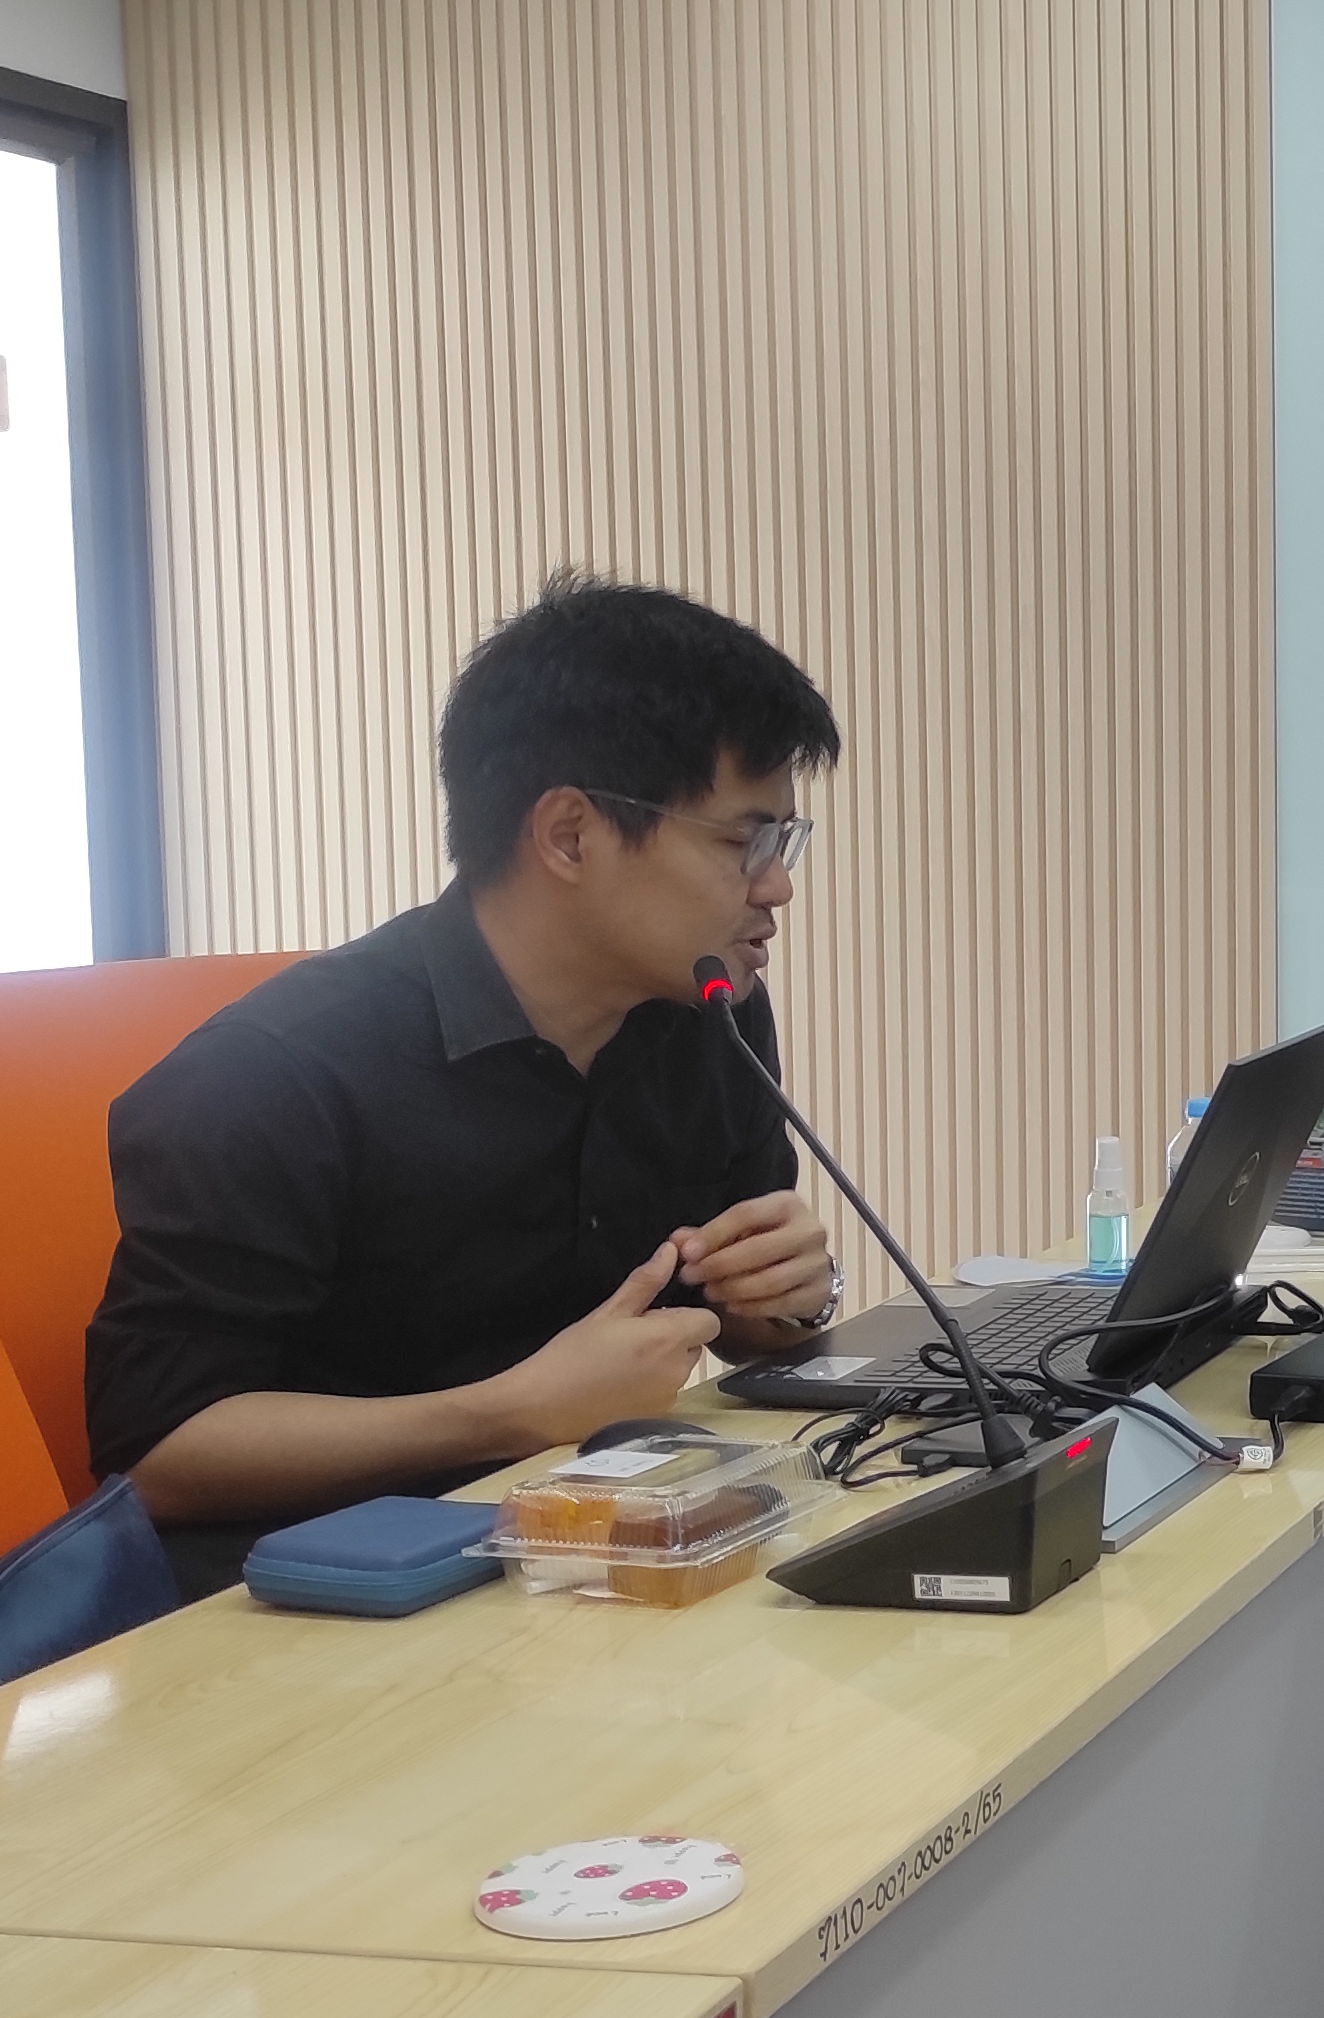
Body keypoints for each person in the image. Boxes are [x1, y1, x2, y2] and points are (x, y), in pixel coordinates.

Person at [89, 576, 849, 1597]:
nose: (777, 886)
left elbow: (731, 1318)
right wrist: (506, 1413)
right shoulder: (273, 1074)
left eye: (785, 842)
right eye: (742, 842)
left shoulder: (710, 1013)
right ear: (569, 835)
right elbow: (154, 1456)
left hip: (592, 1558)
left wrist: (788, 1297)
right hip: (330, 1604)